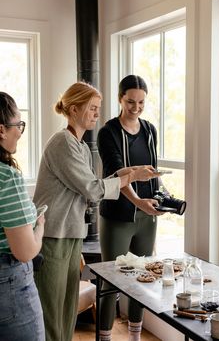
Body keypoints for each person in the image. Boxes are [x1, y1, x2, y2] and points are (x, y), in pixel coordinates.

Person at [33, 81, 160, 341]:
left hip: (70, 232)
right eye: (92, 108)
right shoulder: (63, 144)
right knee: (52, 310)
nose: (96, 114)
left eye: (98, 108)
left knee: (67, 307)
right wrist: (132, 175)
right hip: (53, 235)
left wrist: (123, 175)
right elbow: (92, 190)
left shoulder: (79, 146)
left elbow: (90, 187)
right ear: (74, 109)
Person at [97, 75, 167, 341]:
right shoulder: (108, 132)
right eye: (130, 102)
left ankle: (135, 337)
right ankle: (104, 337)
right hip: (117, 216)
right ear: (119, 99)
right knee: (110, 282)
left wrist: (163, 197)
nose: (135, 107)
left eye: (141, 102)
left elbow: (152, 170)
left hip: (147, 216)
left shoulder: (150, 130)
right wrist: (138, 202)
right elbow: (117, 173)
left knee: (142, 279)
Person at [0, 92, 45, 341]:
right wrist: (39, 227)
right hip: (8, 285)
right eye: (18, 125)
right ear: (1, 130)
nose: (19, 131)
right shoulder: (8, 178)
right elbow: (25, 251)